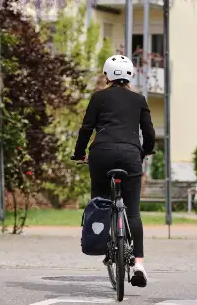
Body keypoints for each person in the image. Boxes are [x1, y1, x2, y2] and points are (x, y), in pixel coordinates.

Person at [72, 54, 156, 288]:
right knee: (133, 212)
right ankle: (138, 263)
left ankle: (102, 241)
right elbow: (149, 133)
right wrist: (145, 151)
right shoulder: (139, 99)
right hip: (130, 154)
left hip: (102, 153)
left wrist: (79, 154)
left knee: (99, 200)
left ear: (106, 75)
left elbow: (86, 129)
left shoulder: (98, 97)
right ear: (130, 75)